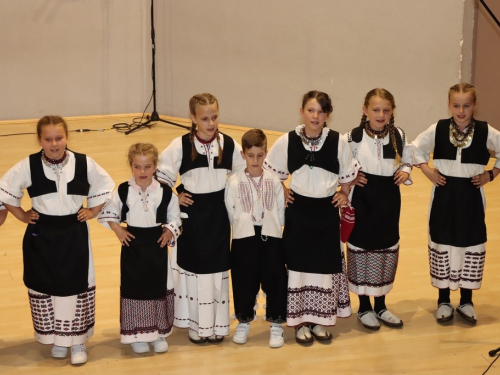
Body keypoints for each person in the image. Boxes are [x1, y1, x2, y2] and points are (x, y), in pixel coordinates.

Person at [0, 115, 114, 365]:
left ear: (67, 138)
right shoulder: (28, 165)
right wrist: (20, 214)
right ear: (39, 140)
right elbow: (5, 189)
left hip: (73, 234)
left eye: (59, 138)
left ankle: (77, 341)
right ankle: (56, 338)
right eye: (48, 139)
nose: (54, 144)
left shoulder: (84, 163)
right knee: (46, 284)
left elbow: (106, 186)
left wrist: (93, 211)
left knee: (75, 286)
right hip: (42, 235)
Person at [264, 90, 358, 344]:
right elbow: (269, 171)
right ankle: (300, 322)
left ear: (328, 114)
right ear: (302, 111)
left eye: (320, 111)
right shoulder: (287, 140)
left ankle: (320, 320)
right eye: (310, 110)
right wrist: (282, 189)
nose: (315, 116)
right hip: (298, 212)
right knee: (298, 267)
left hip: (326, 213)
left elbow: (349, 174)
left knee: (323, 267)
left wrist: (344, 193)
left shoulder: (338, 141)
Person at [156, 93, 246, 343]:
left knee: (217, 269)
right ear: (193, 118)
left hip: (218, 216)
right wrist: (177, 195)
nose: (211, 123)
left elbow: (242, 173)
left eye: (214, 117)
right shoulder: (180, 145)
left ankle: (217, 324)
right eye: (204, 118)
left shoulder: (228, 144)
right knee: (195, 268)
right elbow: (161, 177)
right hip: (192, 217)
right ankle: (197, 325)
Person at [412, 83, 500, 324]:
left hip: (471, 195)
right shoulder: (438, 128)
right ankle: (443, 299)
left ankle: (466, 300)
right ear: (449, 105)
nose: (461, 111)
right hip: (444, 193)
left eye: (466, 106)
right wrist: (426, 170)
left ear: (475, 106)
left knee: (469, 242)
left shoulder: (485, 131)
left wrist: (491, 174)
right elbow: (414, 149)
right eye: (456, 105)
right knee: (443, 242)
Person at [98, 143, 181, 354]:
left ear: (155, 167)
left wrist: (169, 231)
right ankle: (136, 334)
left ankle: (158, 333)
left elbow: (175, 217)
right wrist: (118, 230)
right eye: (137, 167)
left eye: (147, 167)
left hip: (156, 246)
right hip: (132, 247)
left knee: (156, 287)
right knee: (134, 288)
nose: (142, 172)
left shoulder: (165, 191)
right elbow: (108, 213)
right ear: (131, 166)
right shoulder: (123, 190)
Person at [346, 88, 412, 330]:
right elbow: (341, 164)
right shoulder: (352, 138)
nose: (381, 114)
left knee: (385, 249)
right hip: (362, 202)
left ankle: (381, 304)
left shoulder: (399, 135)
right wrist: (350, 178)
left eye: (386, 110)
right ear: (365, 110)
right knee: (362, 248)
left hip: (388, 202)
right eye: (376, 109)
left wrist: (406, 170)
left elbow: (408, 158)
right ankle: (364, 307)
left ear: (392, 111)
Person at [225, 129, 287, 348]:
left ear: (266, 154)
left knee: (276, 280)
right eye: (251, 155)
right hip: (244, 239)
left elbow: (280, 212)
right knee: (244, 280)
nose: (255, 160)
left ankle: (276, 324)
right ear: (243, 155)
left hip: (271, 237)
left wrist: (270, 226)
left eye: (260, 155)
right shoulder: (233, 182)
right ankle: (243, 320)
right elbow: (231, 210)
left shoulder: (274, 181)